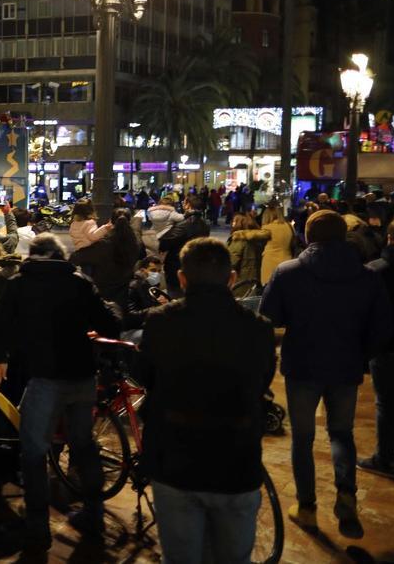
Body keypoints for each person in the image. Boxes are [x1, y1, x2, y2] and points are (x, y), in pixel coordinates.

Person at [137, 238, 276, 561]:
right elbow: (262, 380)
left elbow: (145, 375)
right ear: (231, 278)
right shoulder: (258, 328)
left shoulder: (160, 321)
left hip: (176, 460)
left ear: (183, 279)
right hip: (236, 461)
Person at [260, 209, 393, 539]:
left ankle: (306, 507)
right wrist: (362, 355)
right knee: (341, 433)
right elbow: (382, 328)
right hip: (346, 364)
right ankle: (346, 494)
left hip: (302, 364)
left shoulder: (288, 272)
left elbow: (268, 317)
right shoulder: (367, 276)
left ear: (308, 236)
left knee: (302, 439)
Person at [0, 233, 121, 549]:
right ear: (60, 255)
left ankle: (37, 528)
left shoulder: (19, 283)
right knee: (84, 446)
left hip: (45, 380)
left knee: (33, 451)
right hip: (83, 378)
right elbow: (110, 324)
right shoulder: (80, 282)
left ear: (32, 255)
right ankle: (93, 516)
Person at [359, 216, 394, 477]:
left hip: (388, 345)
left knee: (386, 403)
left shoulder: (377, 269)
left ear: (390, 238)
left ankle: (385, 458)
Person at [70, 208, 140, 311]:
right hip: (125, 290)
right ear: (129, 221)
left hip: (104, 291)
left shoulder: (104, 245)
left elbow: (76, 258)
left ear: (111, 221)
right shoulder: (135, 243)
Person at [158, 196, 210, 296]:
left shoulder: (185, 224)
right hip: (197, 264)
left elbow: (165, 242)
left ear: (188, 205)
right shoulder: (204, 224)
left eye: (184, 203)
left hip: (178, 265)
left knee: (176, 297)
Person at [226, 213, 270, 288]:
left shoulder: (239, 239)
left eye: (234, 222)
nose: (232, 224)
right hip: (257, 281)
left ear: (239, 223)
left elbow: (231, 262)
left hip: (240, 282)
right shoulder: (260, 239)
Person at [259, 204, 295, 286]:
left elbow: (257, 237)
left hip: (270, 262)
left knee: (269, 287)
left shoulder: (268, 227)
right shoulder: (289, 226)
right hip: (287, 260)